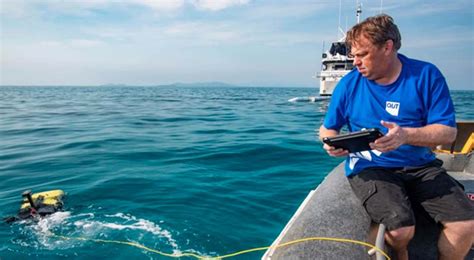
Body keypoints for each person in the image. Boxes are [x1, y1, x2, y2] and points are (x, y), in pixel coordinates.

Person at [319, 14, 474, 260]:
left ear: (388, 47)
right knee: (400, 230)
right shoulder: (349, 84)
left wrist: (406, 136)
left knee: (466, 225)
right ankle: (401, 253)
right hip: (371, 166)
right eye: (353, 55)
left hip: (421, 165)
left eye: (363, 55)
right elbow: (328, 128)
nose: (355, 62)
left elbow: (448, 132)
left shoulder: (426, 75)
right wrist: (331, 143)